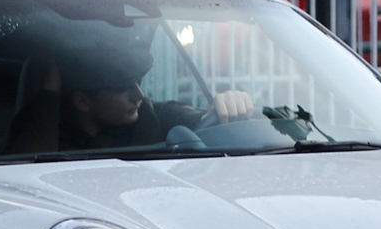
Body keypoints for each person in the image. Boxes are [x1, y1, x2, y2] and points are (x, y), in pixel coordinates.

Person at [58, 42, 254, 151]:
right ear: (83, 101)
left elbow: (194, 119)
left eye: (138, 82)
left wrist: (225, 107)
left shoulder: (156, 116)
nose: (139, 95)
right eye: (122, 87)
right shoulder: (53, 149)